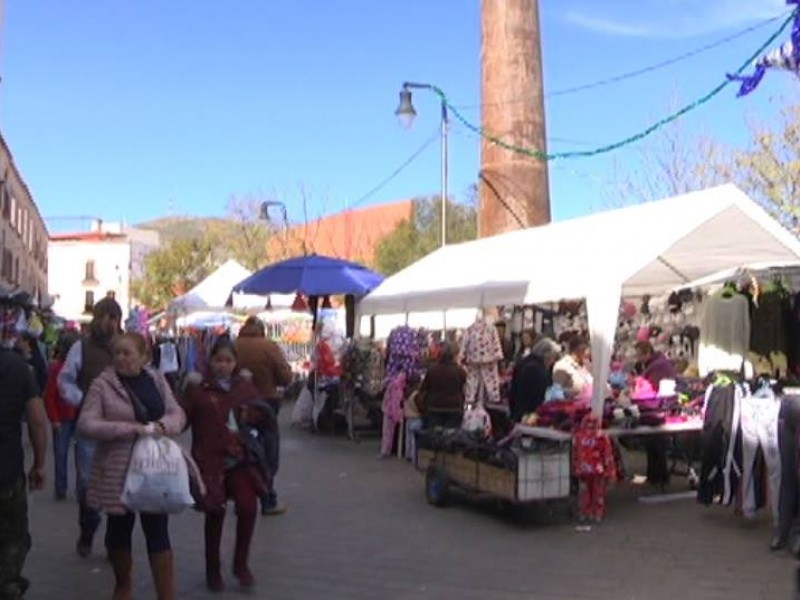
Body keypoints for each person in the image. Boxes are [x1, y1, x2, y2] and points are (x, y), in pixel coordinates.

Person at [77, 332, 186, 600]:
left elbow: (177, 414)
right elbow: (86, 423)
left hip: (155, 466)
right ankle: (123, 584)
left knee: (157, 530)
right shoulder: (103, 385)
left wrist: (163, 426)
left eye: (128, 353)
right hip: (118, 469)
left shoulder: (157, 380)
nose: (122, 359)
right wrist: (129, 429)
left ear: (144, 356)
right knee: (118, 531)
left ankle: (166, 593)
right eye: (117, 354)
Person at [182, 338, 268, 592]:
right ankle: (212, 570)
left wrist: (248, 415)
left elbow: (260, 414)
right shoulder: (198, 389)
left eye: (229, 360)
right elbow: (183, 416)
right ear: (210, 361)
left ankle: (240, 564)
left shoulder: (244, 387)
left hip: (239, 458)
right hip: (209, 461)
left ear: (235, 362)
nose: (223, 365)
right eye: (219, 360)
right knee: (215, 512)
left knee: (248, 507)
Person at [58, 297, 123, 558]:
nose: (108, 322)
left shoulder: (127, 346)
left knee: (118, 484)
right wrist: (81, 399)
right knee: (87, 481)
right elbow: (65, 380)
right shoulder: (81, 348)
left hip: (121, 426)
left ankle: (114, 542)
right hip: (91, 427)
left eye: (113, 317)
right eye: (104, 316)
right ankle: (87, 529)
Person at [0, 341, 47, 599]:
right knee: (13, 538)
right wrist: (39, 464)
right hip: (6, 473)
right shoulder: (18, 367)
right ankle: (7, 584)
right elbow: (38, 422)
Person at [235, 316, 292, 516]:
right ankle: (269, 499)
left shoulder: (234, 346)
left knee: (241, 450)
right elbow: (285, 377)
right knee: (266, 452)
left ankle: (240, 496)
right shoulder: (269, 346)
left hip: (238, 404)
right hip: (266, 403)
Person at [634, 340, 679, 488]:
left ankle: (659, 477)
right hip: (658, 407)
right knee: (653, 442)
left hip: (657, 408)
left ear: (647, 352)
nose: (638, 358)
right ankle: (655, 476)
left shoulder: (657, 366)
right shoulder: (657, 363)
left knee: (655, 442)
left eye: (640, 355)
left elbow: (651, 389)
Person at [44, 330, 81, 500]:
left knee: (70, 453)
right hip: (66, 416)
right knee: (65, 453)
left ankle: (75, 488)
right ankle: (63, 488)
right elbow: (50, 395)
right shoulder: (57, 368)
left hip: (75, 415)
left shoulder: (76, 366)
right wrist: (55, 418)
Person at [509, 337, 560, 422]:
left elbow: (512, 391)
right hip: (529, 416)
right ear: (547, 356)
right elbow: (542, 396)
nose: (552, 362)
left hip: (517, 412)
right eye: (553, 358)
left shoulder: (523, 362)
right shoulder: (538, 369)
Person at [418, 342, 467, 429]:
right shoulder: (460, 371)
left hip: (434, 407)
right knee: (452, 437)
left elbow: (423, 389)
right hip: (455, 407)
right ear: (453, 356)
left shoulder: (432, 370)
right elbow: (466, 389)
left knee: (435, 437)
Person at [552, 334, 593, 402]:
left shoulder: (583, 365)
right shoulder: (562, 366)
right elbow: (557, 391)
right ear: (578, 350)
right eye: (585, 350)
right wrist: (576, 393)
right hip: (570, 406)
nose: (588, 353)